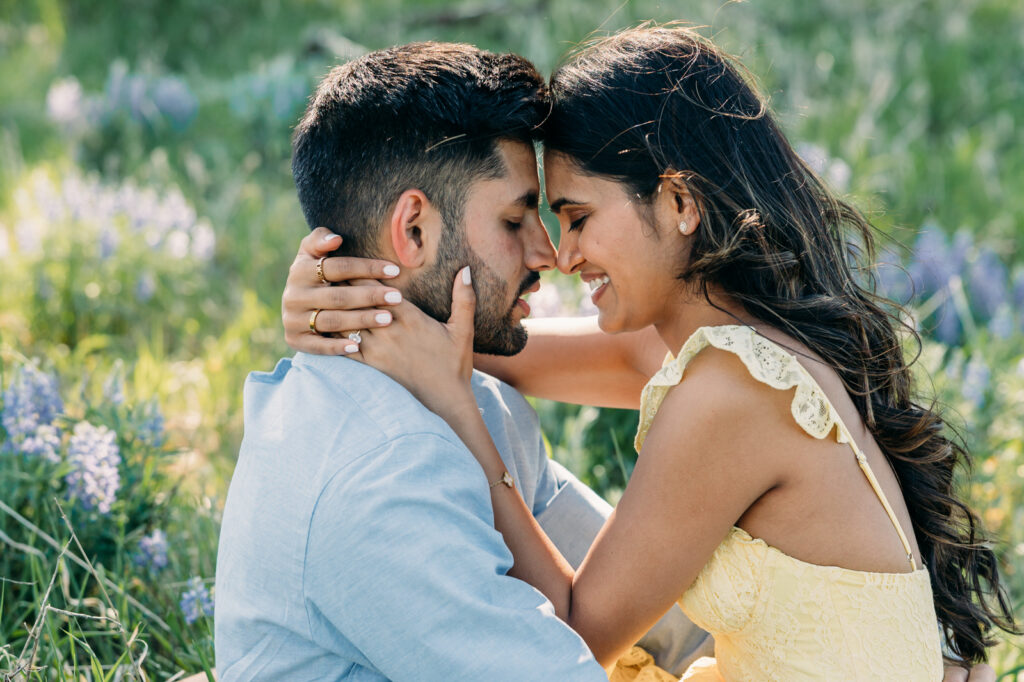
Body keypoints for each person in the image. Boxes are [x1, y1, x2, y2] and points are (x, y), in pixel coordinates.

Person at [282, 27, 1017, 681]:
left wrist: (458, 415)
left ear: (678, 203)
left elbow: (571, 638)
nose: (562, 256)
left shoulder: (731, 394)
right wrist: (341, 300)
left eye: (577, 217)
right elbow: (485, 341)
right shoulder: (735, 348)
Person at [215, 41, 707, 681]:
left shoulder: (477, 403)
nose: (548, 254)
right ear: (413, 230)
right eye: (516, 218)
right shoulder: (384, 477)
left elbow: (644, 612)